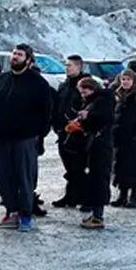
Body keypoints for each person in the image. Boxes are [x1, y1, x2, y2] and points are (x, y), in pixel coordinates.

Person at [0, 44, 55, 231]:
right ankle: (12, 210)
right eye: (14, 54)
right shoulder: (1, 80)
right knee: (2, 175)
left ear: (28, 60)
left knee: (24, 177)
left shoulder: (38, 83)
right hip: (1, 136)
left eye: (19, 54)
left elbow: (46, 112)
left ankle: (26, 214)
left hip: (25, 138)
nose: (15, 57)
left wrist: (39, 135)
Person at [69, 74, 114, 228]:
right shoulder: (93, 101)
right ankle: (95, 213)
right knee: (93, 179)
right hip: (94, 145)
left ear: (92, 89)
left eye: (84, 92)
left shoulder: (102, 101)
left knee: (98, 179)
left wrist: (88, 115)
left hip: (100, 145)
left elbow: (104, 118)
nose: (83, 95)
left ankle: (98, 216)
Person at [51, 55, 88, 208]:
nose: (66, 68)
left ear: (79, 67)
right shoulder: (64, 85)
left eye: (69, 65)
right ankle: (71, 195)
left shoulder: (85, 85)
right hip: (62, 132)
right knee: (69, 166)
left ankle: (80, 196)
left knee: (78, 166)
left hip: (78, 132)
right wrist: (56, 124)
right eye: (66, 65)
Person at [110, 70, 136, 208]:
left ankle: (134, 195)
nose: (125, 82)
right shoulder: (118, 95)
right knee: (119, 165)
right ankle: (122, 194)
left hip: (133, 138)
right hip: (119, 137)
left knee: (134, 166)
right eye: (123, 79)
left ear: (133, 81)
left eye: (128, 79)